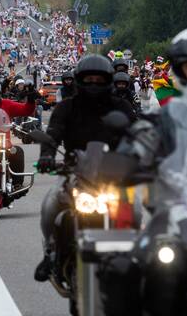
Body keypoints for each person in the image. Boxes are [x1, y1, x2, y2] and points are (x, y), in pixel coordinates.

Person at [33, 54, 136, 282]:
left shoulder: (121, 106)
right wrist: (47, 157)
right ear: (79, 80)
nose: (93, 85)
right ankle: (52, 252)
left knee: (136, 208)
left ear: (108, 81)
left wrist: (139, 159)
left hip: (114, 174)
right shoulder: (66, 107)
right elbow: (53, 134)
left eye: (99, 80)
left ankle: (138, 254)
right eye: (88, 80)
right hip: (75, 170)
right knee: (51, 202)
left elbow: (135, 135)